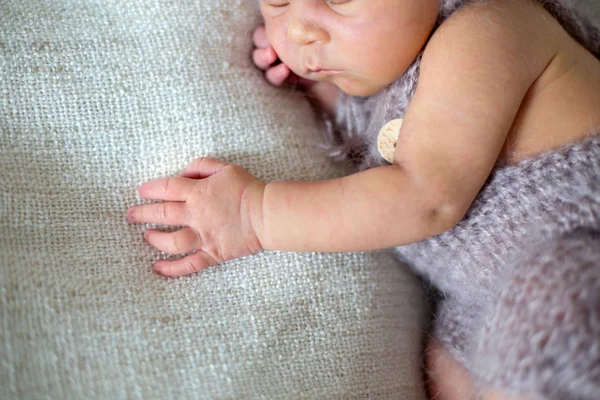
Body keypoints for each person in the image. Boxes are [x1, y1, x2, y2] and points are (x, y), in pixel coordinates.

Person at [127, 0, 600, 398]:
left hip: (580, 253)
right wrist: (322, 90)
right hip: (486, 295)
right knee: (450, 362)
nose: (299, 30)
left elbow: (424, 195)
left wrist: (257, 214)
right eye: (277, 2)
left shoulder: (488, 31)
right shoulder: (388, 66)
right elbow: (381, 141)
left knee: (555, 309)